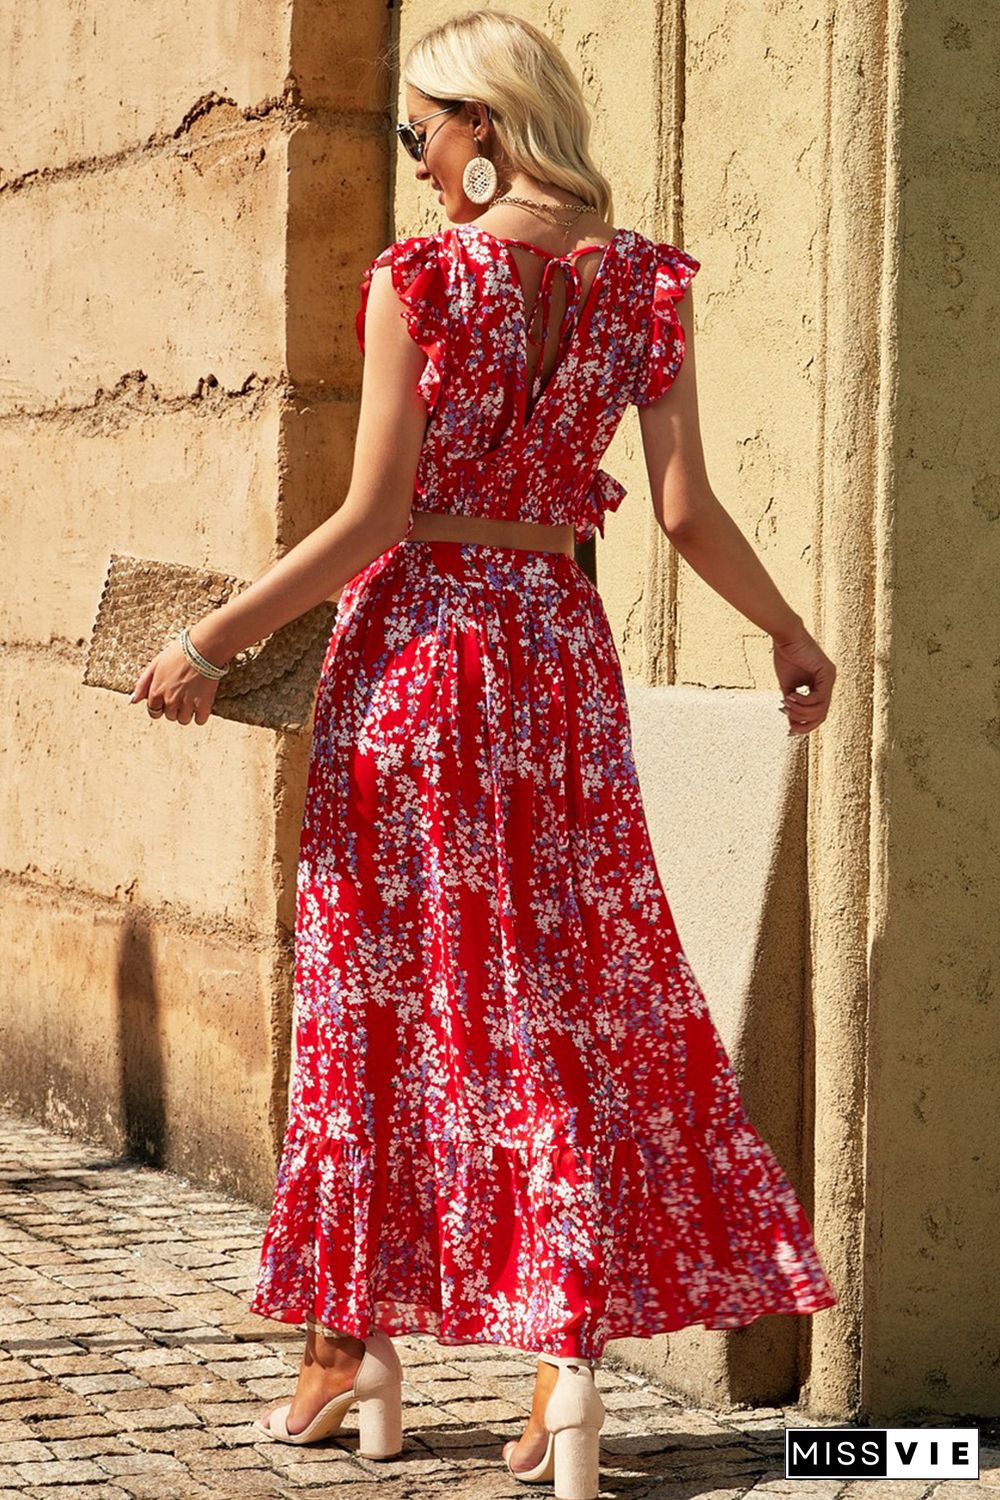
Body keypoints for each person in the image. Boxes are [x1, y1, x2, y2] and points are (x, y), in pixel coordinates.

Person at [130, 10, 838, 1497]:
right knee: (560, 999)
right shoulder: (645, 282)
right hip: (558, 662)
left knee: (373, 998)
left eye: (419, 130)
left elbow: (374, 519)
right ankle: (559, 1376)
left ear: (482, 129)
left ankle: (350, 1348)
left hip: (421, 663)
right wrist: (787, 633)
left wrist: (208, 640)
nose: (415, 157)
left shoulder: (422, 276)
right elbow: (689, 513)